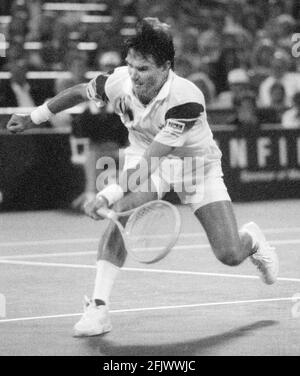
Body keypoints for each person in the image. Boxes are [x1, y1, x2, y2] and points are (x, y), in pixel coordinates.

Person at [7, 18, 279, 338]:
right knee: (124, 210)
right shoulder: (121, 80)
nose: (135, 75)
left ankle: (252, 240)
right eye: (131, 66)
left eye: (144, 69)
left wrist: (105, 196)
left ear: (166, 67)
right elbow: (81, 91)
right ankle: (98, 307)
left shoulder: (185, 98)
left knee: (229, 254)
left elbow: (152, 164)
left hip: (194, 165)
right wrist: (35, 116)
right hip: (144, 153)